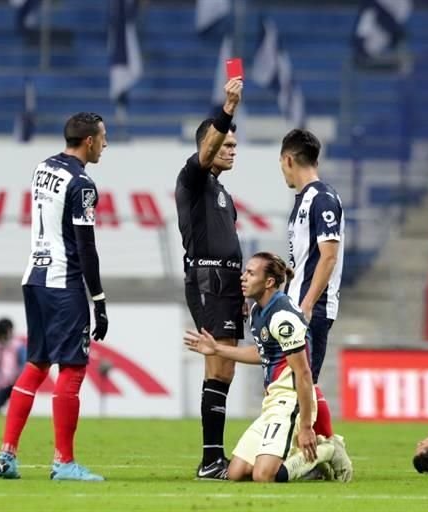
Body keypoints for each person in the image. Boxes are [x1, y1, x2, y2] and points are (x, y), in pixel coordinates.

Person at [0, 112, 110, 482]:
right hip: (65, 282)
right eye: (102, 138)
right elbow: (85, 247)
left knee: (37, 363)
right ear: (89, 141)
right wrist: (100, 299)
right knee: (72, 368)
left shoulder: (42, 168)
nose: (105, 144)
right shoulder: (82, 184)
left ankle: (6, 455)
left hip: (35, 277)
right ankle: (64, 462)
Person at [184, 252, 353, 482]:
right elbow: (263, 354)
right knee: (235, 472)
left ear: (269, 282)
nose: (243, 277)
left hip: (291, 401)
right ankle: (299, 458)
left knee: (263, 475)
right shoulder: (258, 312)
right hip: (273, 402)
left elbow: (303, 374)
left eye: (251, 273)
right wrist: (217, 350)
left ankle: (329, 449)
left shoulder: (283, 317)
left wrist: (305, 426)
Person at [175, 78, 244, 479]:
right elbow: (205, 151)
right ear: (210, 146)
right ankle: (210, 460)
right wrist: (228, 108)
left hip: (228, 283)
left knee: (224, 370)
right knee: (218, 367)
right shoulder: (193, 178)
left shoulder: (223, 193)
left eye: (235, 146)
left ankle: (213, 455)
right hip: (207, 280)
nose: (232, 151)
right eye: (226, 145)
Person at [279, 129, 344, 442]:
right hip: (297, 305)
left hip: (311, 309)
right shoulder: (303, 200)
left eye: (282, 165)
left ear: (288, 160)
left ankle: (322, 449)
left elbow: (328, 257)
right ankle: (318, 447)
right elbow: (303, 260)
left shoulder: (323, 199)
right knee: (294, 386)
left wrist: (305, 306)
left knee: (302, 386)